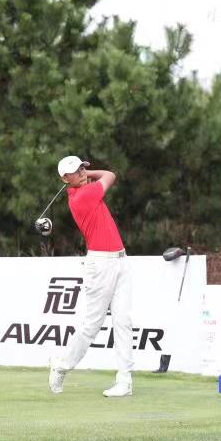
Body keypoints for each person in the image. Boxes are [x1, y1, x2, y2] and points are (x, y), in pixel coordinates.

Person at [48, 156, 134, 397]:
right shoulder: (82, 196)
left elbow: (106, 175)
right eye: (75, 171)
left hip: (120, 259)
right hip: (100, 264)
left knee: (124, 322)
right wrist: (89, 175)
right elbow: (110, 175)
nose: (82, 173)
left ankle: (125, 381)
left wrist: (85, 173)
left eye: (82, 168)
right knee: (92, 325)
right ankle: (61, 366)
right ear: (64, 179)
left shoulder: (84, 188)